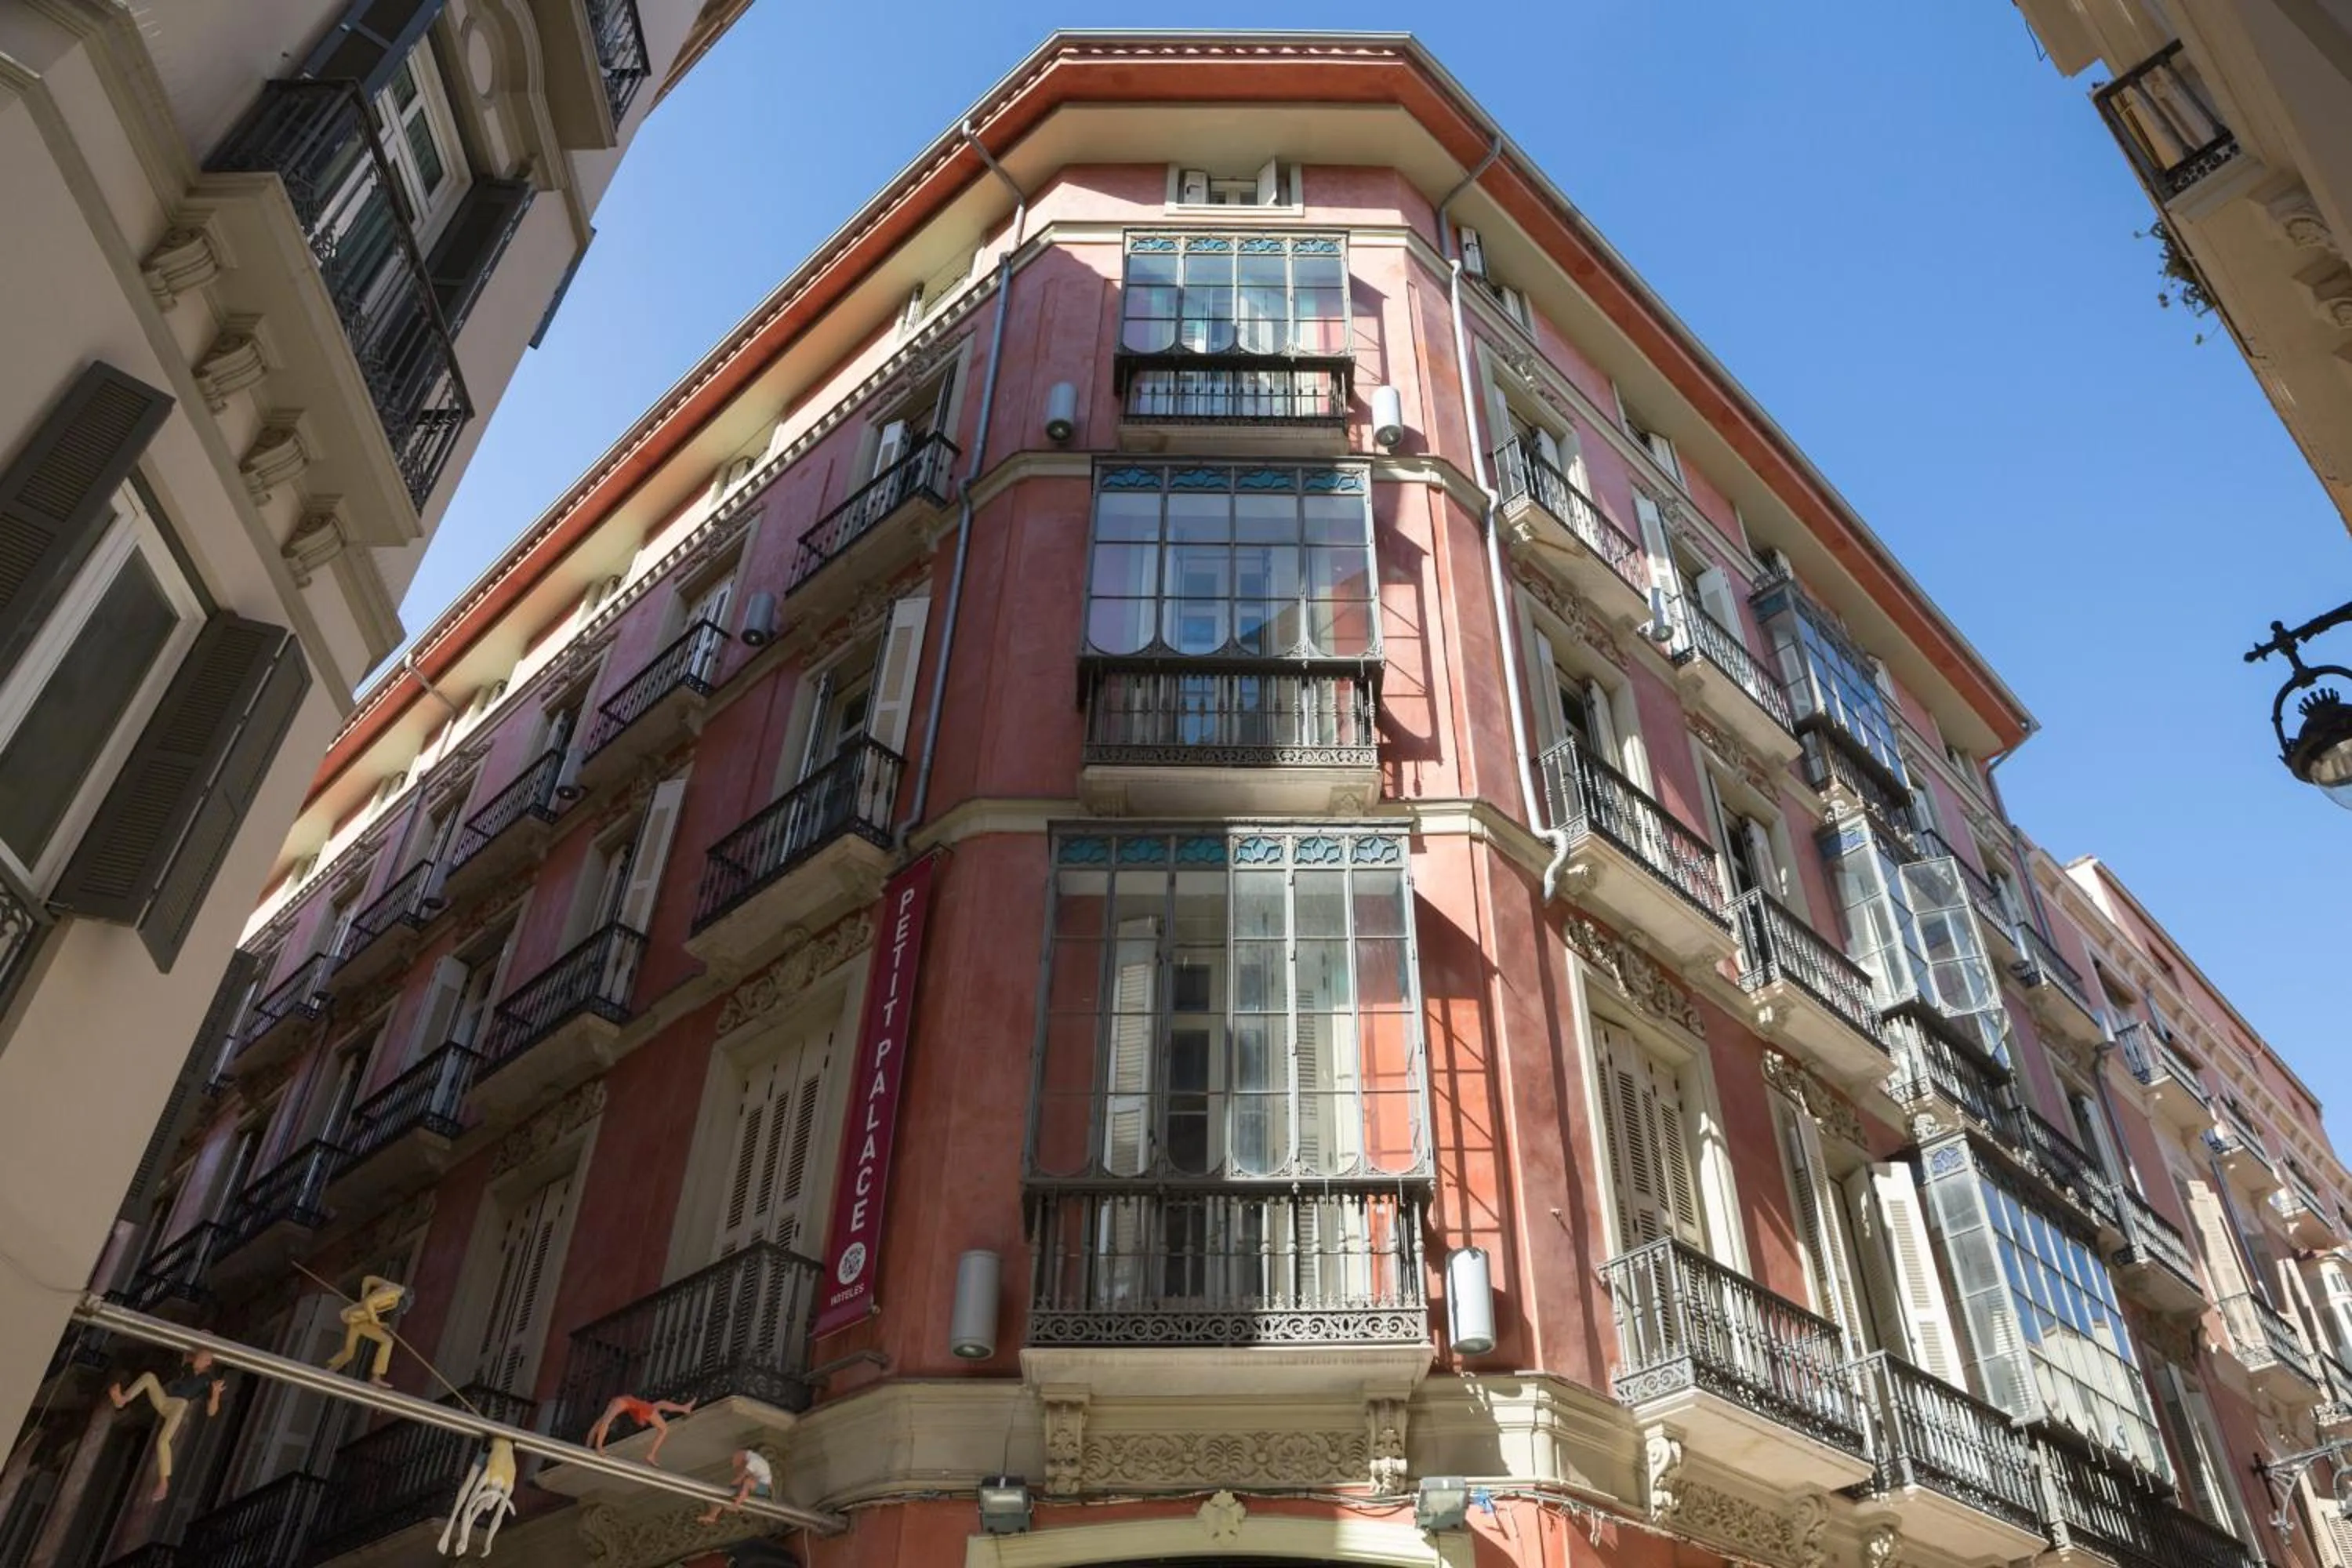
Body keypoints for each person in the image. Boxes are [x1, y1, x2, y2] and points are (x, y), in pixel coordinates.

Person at [107, 1349, 223, 1502]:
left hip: (179, 1405)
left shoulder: (207, 1380)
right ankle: (122, 1400)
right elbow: (186, 1355)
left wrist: (215, 1394)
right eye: (197, 1357)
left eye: (201, 1358)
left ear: (208, 1363)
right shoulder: (187, 1367)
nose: (196, 1360)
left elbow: (211, 1412)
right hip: (166, 1401)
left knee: (163, 1441)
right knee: (149, 1377)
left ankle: (163, 1481)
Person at [323, 1275, 410, 1387]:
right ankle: (376, 1377)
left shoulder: (390, 1286)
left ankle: (330, 1370)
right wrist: (377, 1323)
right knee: (387, 1341)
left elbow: (368, 1279)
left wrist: (363, 1297)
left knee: (349, 1352)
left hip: (356, 1318)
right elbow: (369, 1302)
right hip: (361, 1320)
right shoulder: (393, 1295)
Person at [586, 1392, 696, 1465]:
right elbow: (597, 1428)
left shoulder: (615, 1406)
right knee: (663, 1427)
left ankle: (684, 1408)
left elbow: (599, 1426)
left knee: (660, 1408)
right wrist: (592, 1448)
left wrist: (597, 1447)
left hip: (637, 1407)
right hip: (636, 1407)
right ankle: (651, 1455)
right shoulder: (617, 1405)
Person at [697, 1447, 773, 1525]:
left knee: (747, 1481)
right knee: (724, 1495)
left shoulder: (754, 1461)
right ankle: (712, 1515)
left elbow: (741, 1477)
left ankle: (736, 1505)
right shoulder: (754, 1460)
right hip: (756, 1489)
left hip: (764, 1491)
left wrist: (732, 1486)